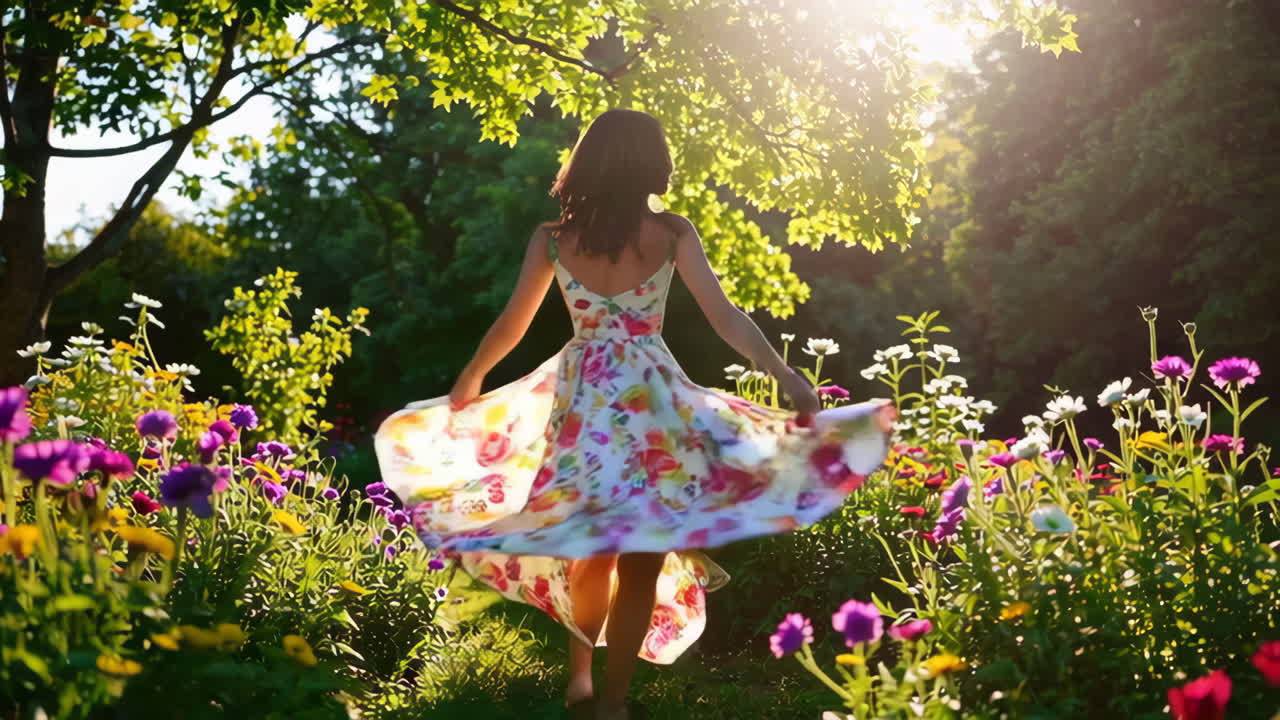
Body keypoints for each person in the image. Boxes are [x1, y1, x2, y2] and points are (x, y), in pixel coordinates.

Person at [374, 109, 897, 720]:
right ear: (652, 164)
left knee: (590, 542)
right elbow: (724, 315)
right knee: (642, 550)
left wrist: (471, 378)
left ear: (588, 163)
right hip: (651, 404)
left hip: (585, 402)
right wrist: (783, 372)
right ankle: (613, 702)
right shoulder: (672, 233)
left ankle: (581, 681)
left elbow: (513, 321)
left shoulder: (554, 238)